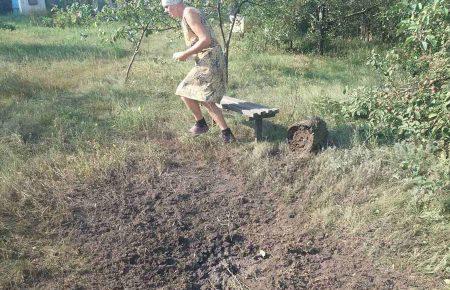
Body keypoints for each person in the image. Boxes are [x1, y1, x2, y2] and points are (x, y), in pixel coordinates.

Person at [161, 0, 235, 143]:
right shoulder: (187, 14)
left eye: (166, 7)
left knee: (189, 92)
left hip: (211, 61)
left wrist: (185, 54)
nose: (166, 11)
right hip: (208, 60)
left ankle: (206, 126)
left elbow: (205, 40)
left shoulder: (189, 12)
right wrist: (191, 54)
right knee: (198, 96)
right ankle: (223, 132)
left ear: (175, 4)